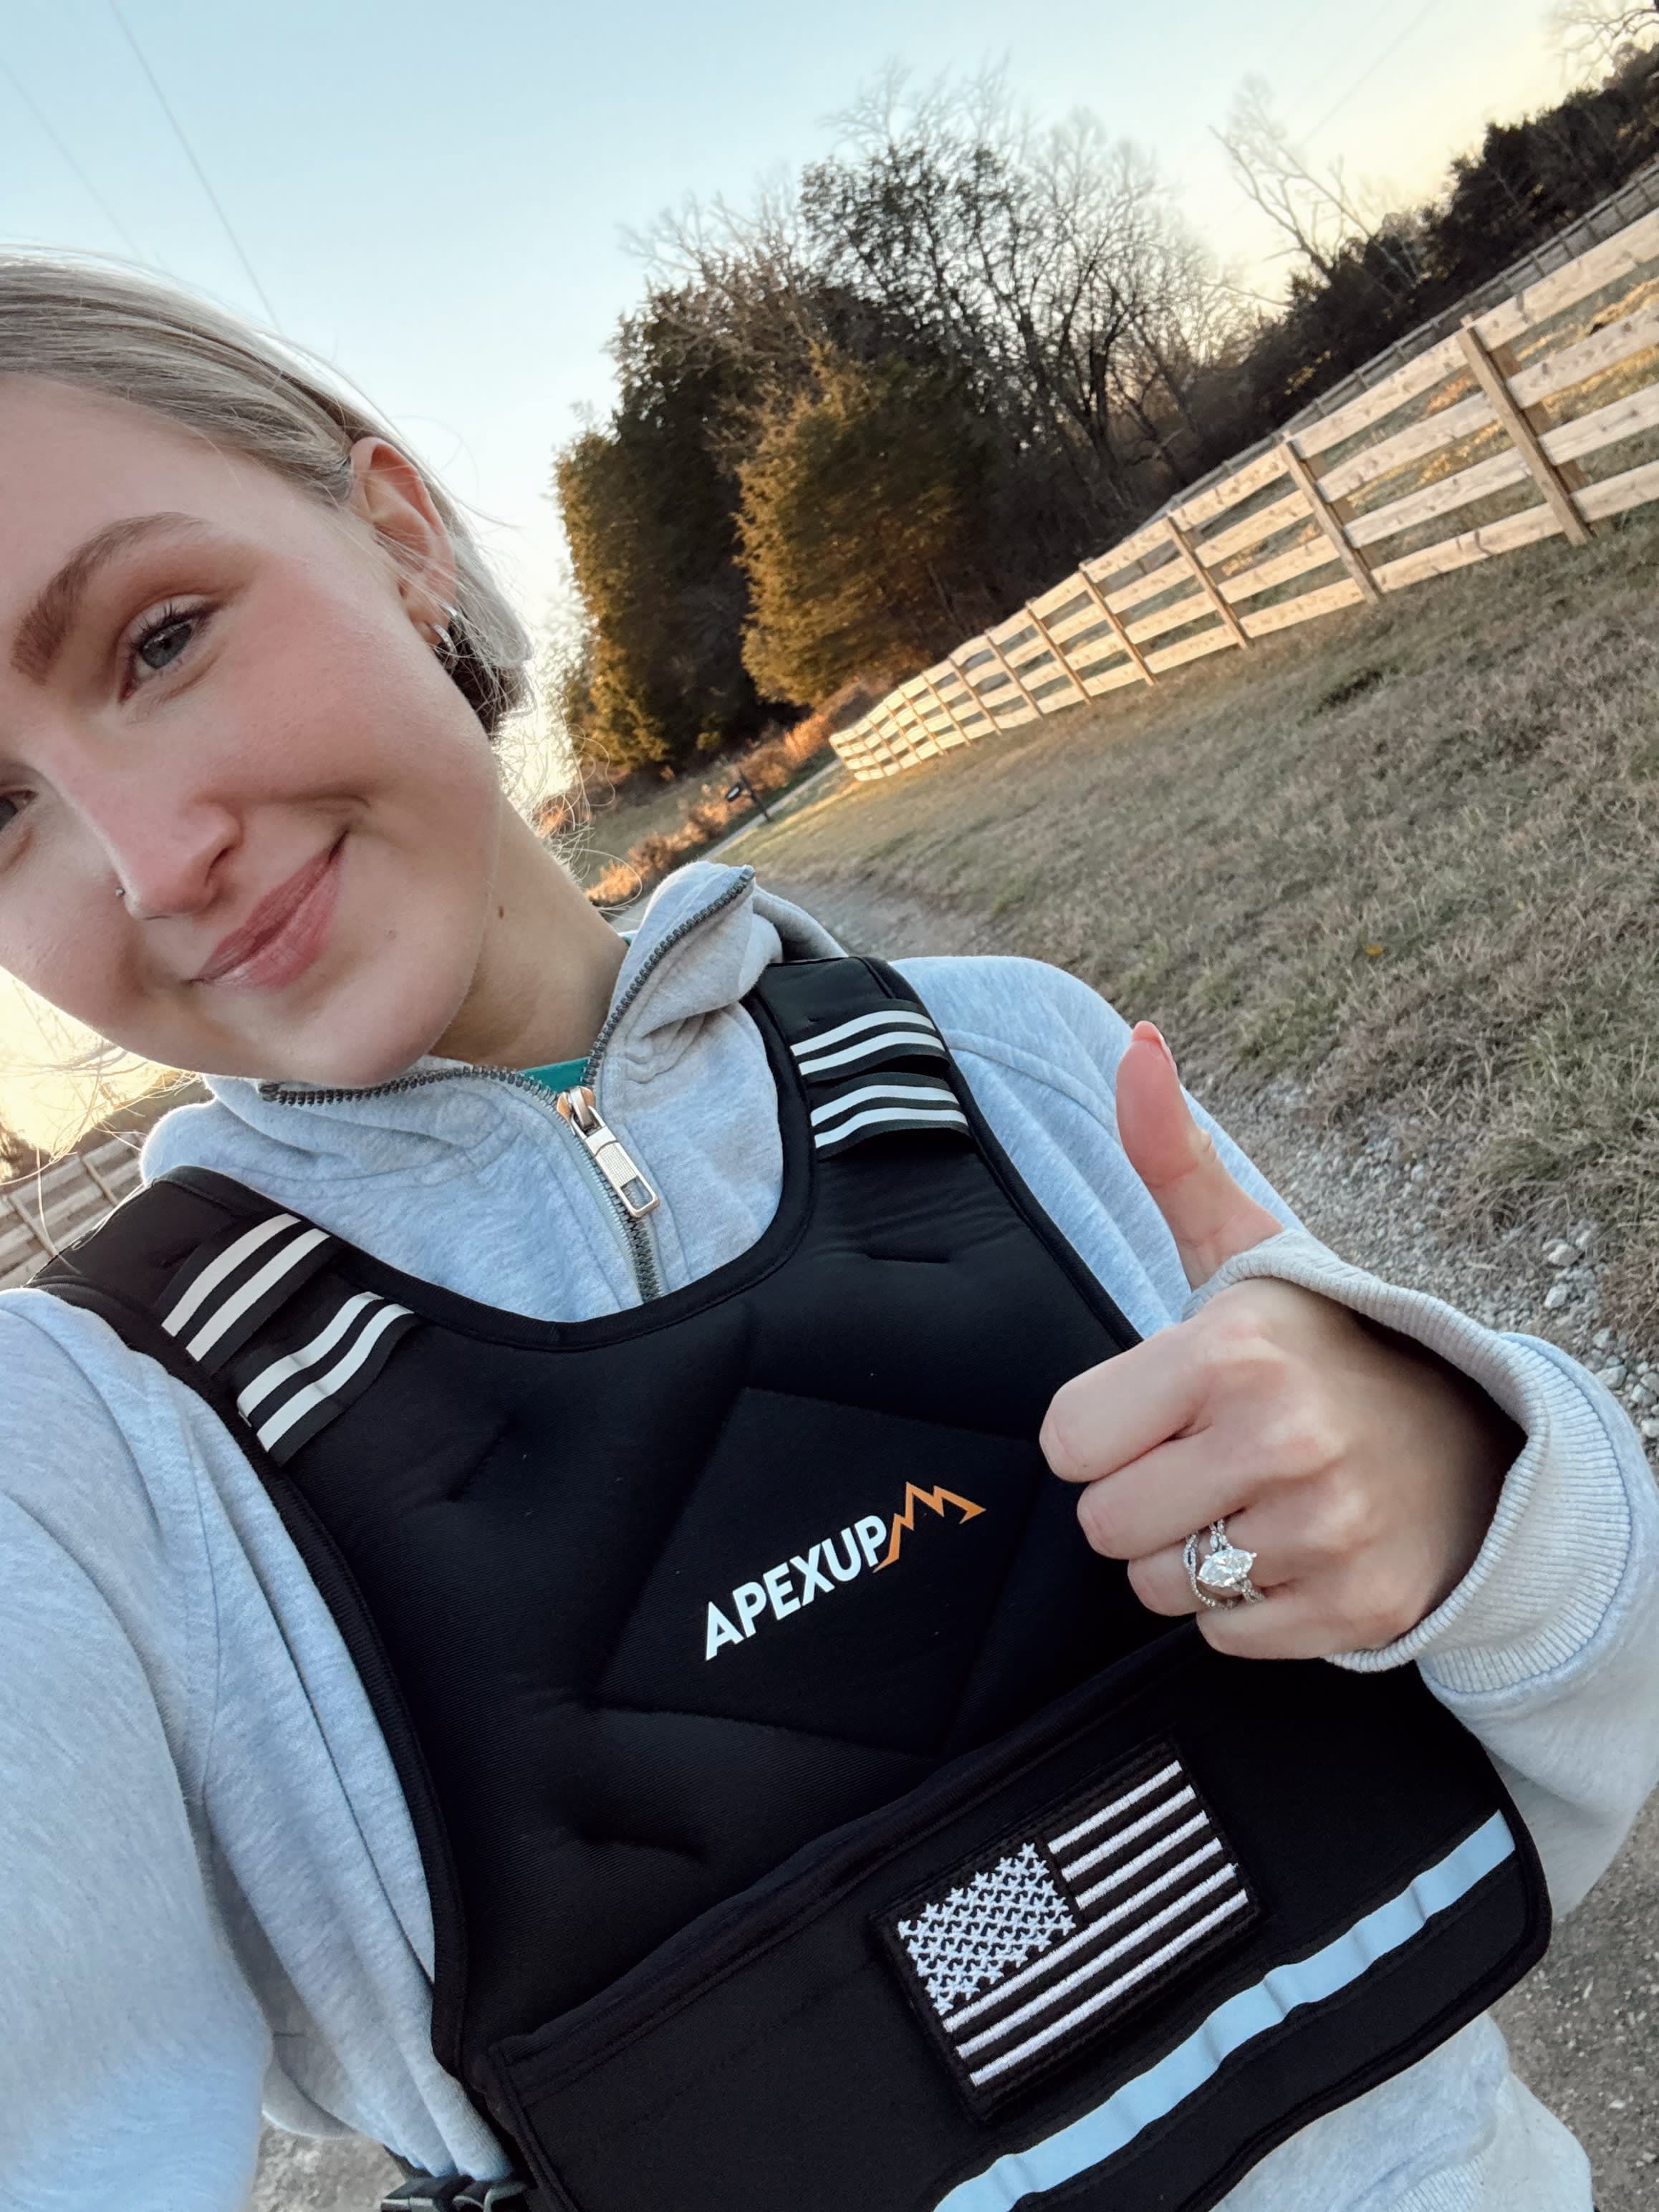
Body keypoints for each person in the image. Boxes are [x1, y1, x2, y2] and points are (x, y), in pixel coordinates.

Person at [0, 256, 1653, 2212]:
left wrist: (1468, 1490)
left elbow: (1582, 1720)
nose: (152, 855)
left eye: (161, 637)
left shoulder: (1018, 1064)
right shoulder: (78, 1468)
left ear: (396, 538)